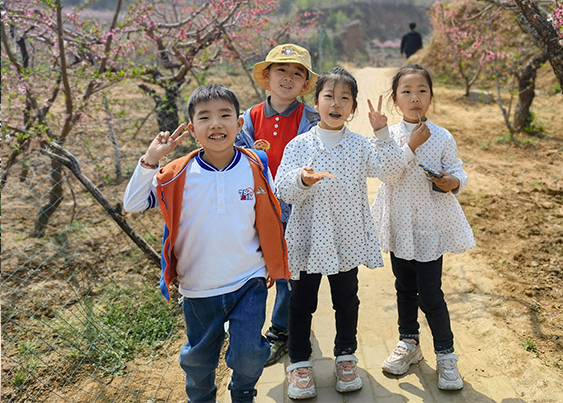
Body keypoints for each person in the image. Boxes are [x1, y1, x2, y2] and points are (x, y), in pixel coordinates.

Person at [123, 83, 289, 403]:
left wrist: (273, 260)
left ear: (239, 125)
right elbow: (133, 203)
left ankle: (243, 392)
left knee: (249, 353)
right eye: (204, 117)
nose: (215, 124)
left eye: (224, 115)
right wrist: (150, 159)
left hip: (248, 281)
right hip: (199, 287)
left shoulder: (256, 165)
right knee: (199, 362)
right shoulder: (177, 174)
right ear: (192, 130)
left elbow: (269, 215)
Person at [274, 67, 405, 400]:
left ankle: (346, 357)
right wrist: (301, 180)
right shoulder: (299, 145)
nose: (336, 103)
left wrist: (382, 133)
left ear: (353, 107)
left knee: (346, 300)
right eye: (329, 96)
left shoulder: (361, 146)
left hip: (346, 239)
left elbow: (391, 171)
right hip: (308, 238)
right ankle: (300, 363)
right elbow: (282, 189)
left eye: (344, 98)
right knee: (301, 303)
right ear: (316, 102)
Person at [371, 64, 475, 390]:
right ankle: (409, 343)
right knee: (404, 287)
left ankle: (446, 355)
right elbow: (387, 175)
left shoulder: (443, 136)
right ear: (395, 100)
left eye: (421, 91)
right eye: (406, 92)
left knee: (430, 294)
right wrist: (410, 145)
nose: (414, 98)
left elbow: (458, 172)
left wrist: (451, 181)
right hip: (399, 224)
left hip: (429, 227)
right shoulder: (387, 137)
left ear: (430, 96)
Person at [236, 43, 319, 366]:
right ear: (267, 77)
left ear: (305, 84)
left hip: (297, 209)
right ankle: (248, 327)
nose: (288, 78)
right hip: (258, 210)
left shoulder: (310, 119)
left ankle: (281, 331)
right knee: (259, 269)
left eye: (297, 73)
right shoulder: (249, 118)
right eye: (281, 71)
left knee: (288, 272)